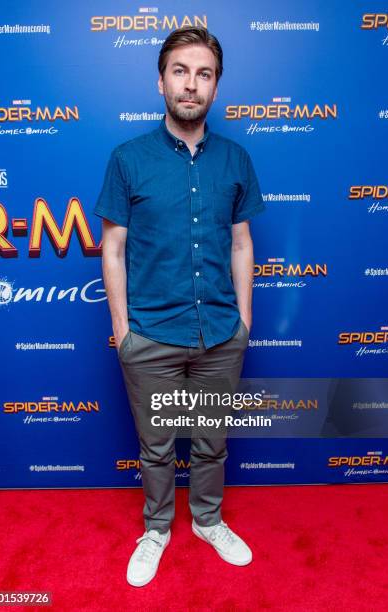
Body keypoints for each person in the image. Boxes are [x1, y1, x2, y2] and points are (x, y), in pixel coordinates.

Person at [93, 25, 266, 587]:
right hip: (150, 335)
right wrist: (123, 329)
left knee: (212, 439)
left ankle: (208, 520)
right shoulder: (128, 159)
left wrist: (243, 320)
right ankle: (158, 529)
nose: (191, 85)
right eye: (180, 71)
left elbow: (242, 243)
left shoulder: (236, 159)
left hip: (220, 332)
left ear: (216, 88)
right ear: (160, 81)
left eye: (204, 74)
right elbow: (112, 248)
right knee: (157, 446)